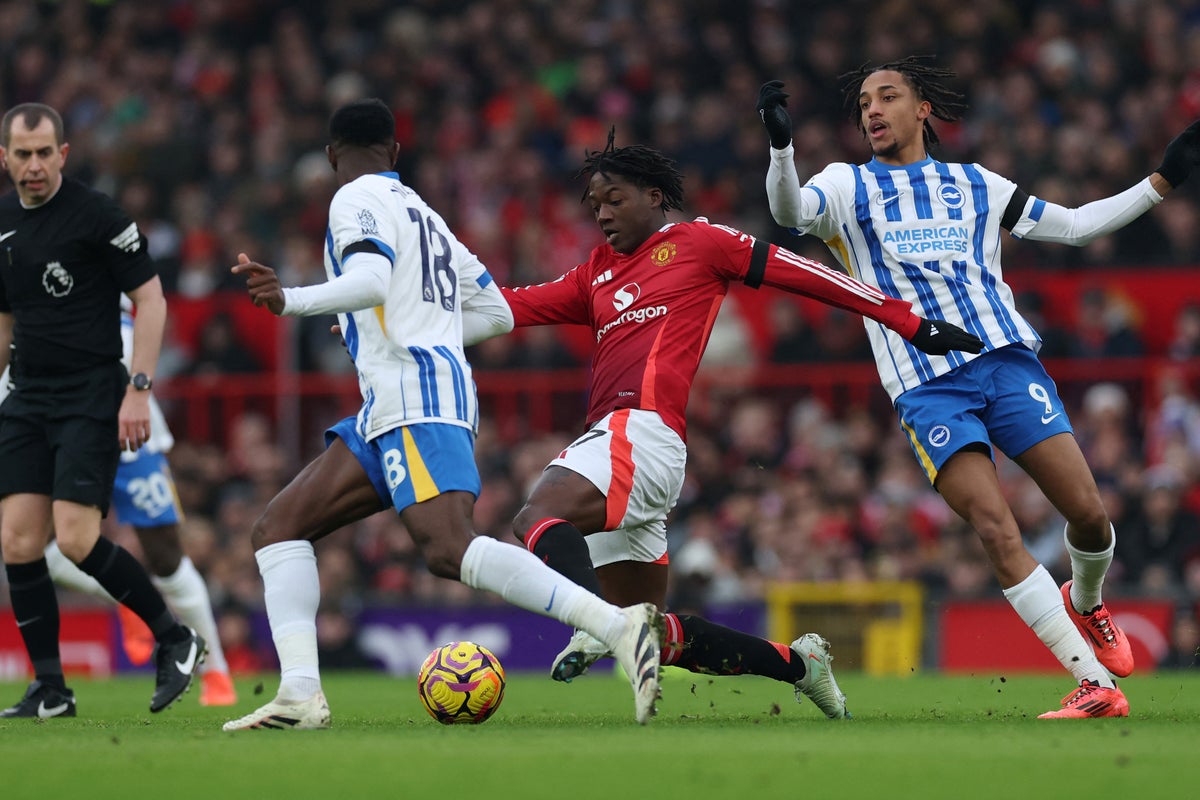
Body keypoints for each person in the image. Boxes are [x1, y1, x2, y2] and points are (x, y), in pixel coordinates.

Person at [756, 55, 1200, 717]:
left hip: (1006, 362)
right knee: (995, 528)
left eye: (887, 97)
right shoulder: (846, 187)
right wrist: (782, 148)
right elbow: (789, 213)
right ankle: (1095, 685)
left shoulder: (974, 184)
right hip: (927, 385)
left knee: (1088, 514)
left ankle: (1086, 602)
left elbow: (1075, 226)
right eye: (864, 104)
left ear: (922, 110)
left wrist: (1162, 181)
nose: (872, 111)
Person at [497, 131, 983, 719]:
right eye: (595, 204)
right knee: (657, 631)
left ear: (654, 196)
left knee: (534, 516)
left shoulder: (701, 244)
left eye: (614, 199)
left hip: (640, 432)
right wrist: (395, 321)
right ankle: (801, 665)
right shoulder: (595, 275)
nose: (601, 213)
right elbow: (507, 307)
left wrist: (907, 320)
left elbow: (805, 274)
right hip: (625, 448)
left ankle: (599, 622)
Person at [220, 98, 663, 731]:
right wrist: (434, 334)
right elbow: (495, 313)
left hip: (414, 395)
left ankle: (614, 624)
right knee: (279, 528)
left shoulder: (352, 200)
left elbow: (371, 281)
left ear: (330, 156)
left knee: (448, 548)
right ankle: (299, 694)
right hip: (390, 403)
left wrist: (289, 299)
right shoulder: (425, 215)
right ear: (396, 153)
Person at [0, 102, 204, 718]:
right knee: (17, 540)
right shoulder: (4, 223)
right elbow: (5, 319)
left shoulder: (98, 215)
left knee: (78, 537)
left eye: (44, 153)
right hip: (26, 392)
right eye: (21, 154)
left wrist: (137, 390)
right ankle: (51, 690)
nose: (33, 166)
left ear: (62, 154)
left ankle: (174, 637)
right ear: (4, 158)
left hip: (92, 390)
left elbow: (151, 299)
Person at [0, 297, 237, 706]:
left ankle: (216, 672)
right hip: (53, 422)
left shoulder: (100, 248)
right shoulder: (20, 256)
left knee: (165, 556)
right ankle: (126, 597)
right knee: (28, 543)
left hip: (128, 428)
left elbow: (141, 317)